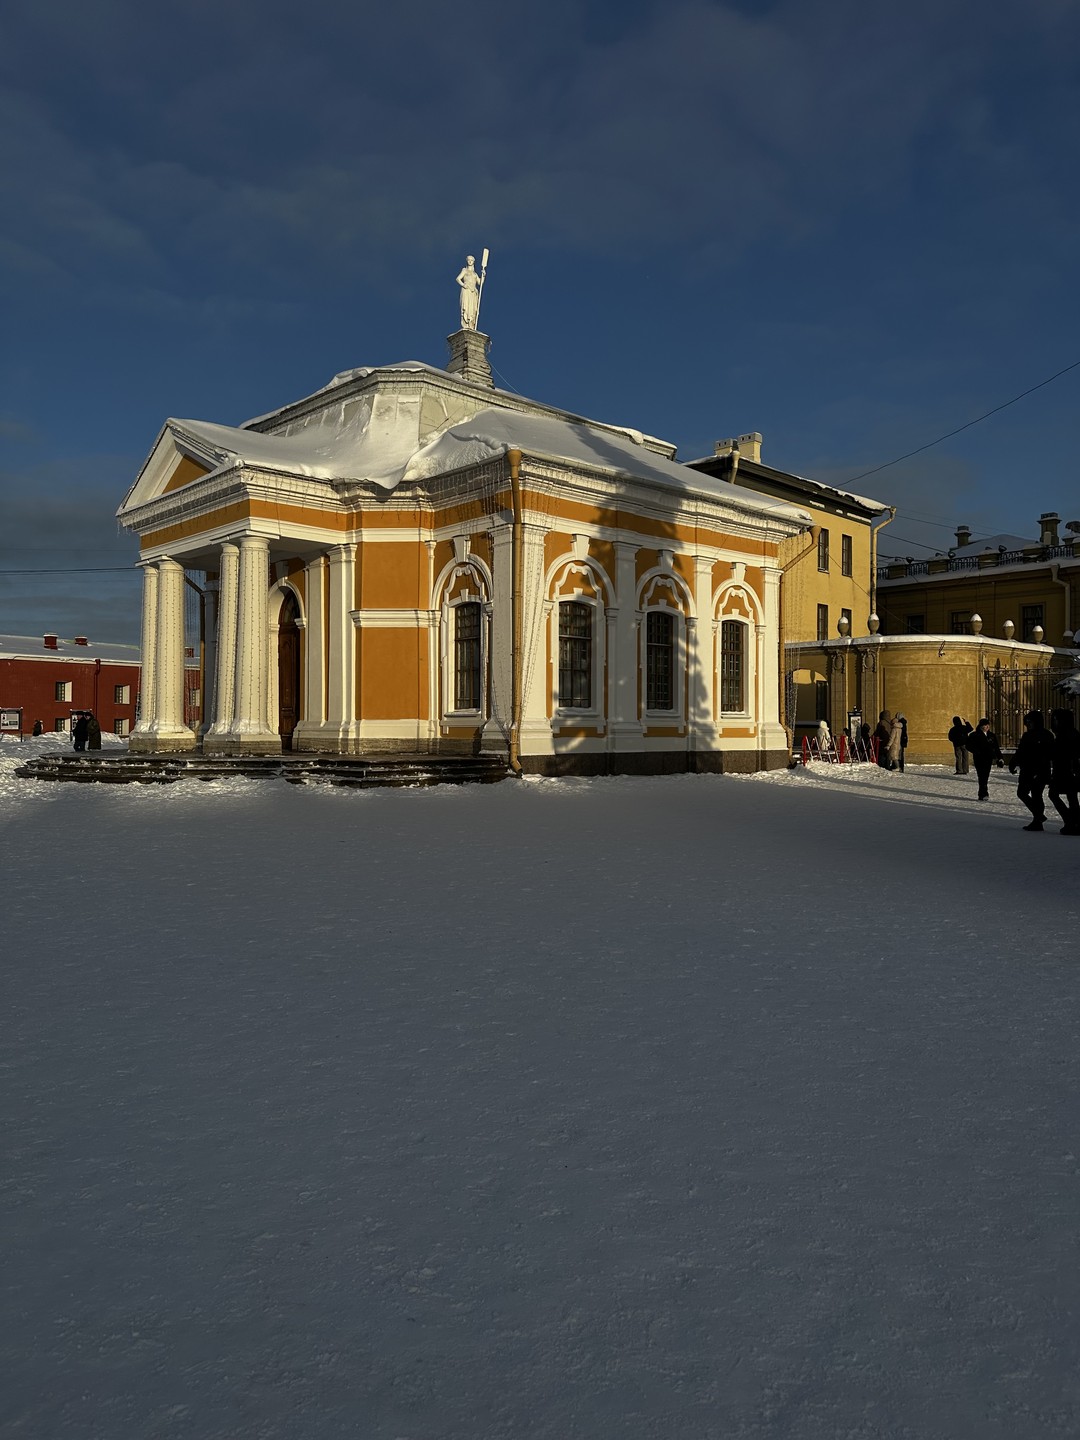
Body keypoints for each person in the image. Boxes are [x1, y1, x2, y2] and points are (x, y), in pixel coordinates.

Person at [1009, 710, 1054, 831]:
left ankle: (1038, 818)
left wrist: (1015, 762)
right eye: (1027, 722)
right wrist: (1013, 762)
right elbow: (1021, 751)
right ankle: (1037, 819)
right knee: (1032, 795)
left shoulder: (1042, 735)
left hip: (1035, 770)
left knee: (1030, 794)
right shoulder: (1038, 734)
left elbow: (1048, 754)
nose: (1028, 724)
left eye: (1030, 721)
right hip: (1033, 769)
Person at [1047, 708, 1080, 835]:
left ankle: (1071, 822)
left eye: (1056, 720)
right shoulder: (1070, 733)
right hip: (1067, 771)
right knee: (1071, 797)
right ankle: (1073, 822)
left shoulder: (1067, 735)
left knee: (1056, 795)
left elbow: (1060, 753)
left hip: (1066, 771)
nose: (1054, 722)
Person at [965, 717, 1003, 800]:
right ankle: (983, 794)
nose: (987, 727)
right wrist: (976, 751)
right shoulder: (974, 735)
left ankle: (982, 793)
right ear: (981, 726)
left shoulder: (991, 735)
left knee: (986, 776)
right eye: (985, 725)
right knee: (981, 776)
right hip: (979, 758)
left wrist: (1000, 758)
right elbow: (968, 745)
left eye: (988, 725)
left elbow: (996, 747)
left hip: (988, 758)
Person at [456, 255, 482, 330]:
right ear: (467, 261)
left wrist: (483, 275)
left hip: (473, 292)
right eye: (469, 260)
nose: (470, 261)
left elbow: (480, 283)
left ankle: (471, 324)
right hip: (466, 290)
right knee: (466, 307)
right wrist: (463, 284)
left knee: (473, 309)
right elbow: (458, 279)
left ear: (473, 262)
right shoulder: (464, 270)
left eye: (471, 260)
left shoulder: (475, 274)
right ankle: (466, 324)